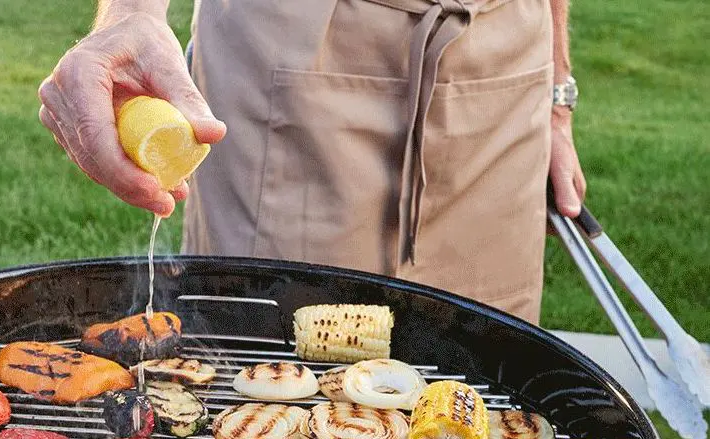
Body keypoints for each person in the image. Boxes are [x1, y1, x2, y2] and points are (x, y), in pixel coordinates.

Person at [39, 0, 586, 323]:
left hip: (501, 63)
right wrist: (129, 15)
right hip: (294, 49)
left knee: (486, 402)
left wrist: (557, 98)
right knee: (258, 379)